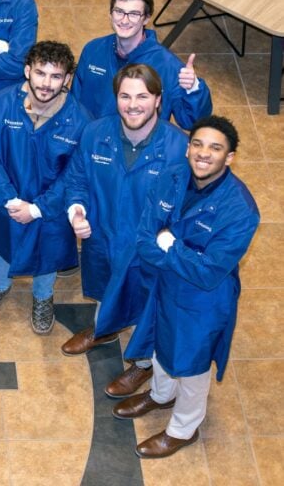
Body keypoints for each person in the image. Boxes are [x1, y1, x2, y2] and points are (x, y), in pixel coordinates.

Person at [113, 115, 259, 459]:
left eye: (215, 148)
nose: (203, 153)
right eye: (197, 143)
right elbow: (145, 235)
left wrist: (169, 246)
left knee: (192, 366)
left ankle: (184, 428)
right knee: (160, 344)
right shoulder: (173, 176)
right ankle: (161, 395)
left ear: (230, 157)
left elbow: (208, 273)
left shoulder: (241, 210)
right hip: (165, 285)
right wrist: (171, 250)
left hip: (203, 301)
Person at [61, 64, 188, 398]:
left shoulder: (178, 149)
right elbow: (76, 180)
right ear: (115, 98)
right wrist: (76, 210)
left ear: (159, 100)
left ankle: (142, 364)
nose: (133, 104)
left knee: (148, 308)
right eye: (125, 96)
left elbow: (187, 206)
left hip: (147, 252)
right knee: (106, 288)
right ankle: (105, 328)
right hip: (103, 238)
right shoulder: (94, 134)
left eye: (143, 96)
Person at [0, 41, 89, 333]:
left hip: (50, 206)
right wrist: (10, 201)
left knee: (47, 251)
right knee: (1, 246)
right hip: (4, 200)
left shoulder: (81, 121)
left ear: (67, 79)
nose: (46, 84)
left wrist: (37, 209)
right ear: (27, 71)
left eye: (56, 76)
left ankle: (43, 297)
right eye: (40, 73)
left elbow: (75, 176)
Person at [71, 0, 212, 130]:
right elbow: (74, 103)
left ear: (146, 19)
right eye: (119, 12)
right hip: (92, 142)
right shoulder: (93, 49)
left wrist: (193, 89)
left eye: (134, 14)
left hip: (139, 146)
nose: (124, 21)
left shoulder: (168, 66)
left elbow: (192, 122)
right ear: (110, 14)